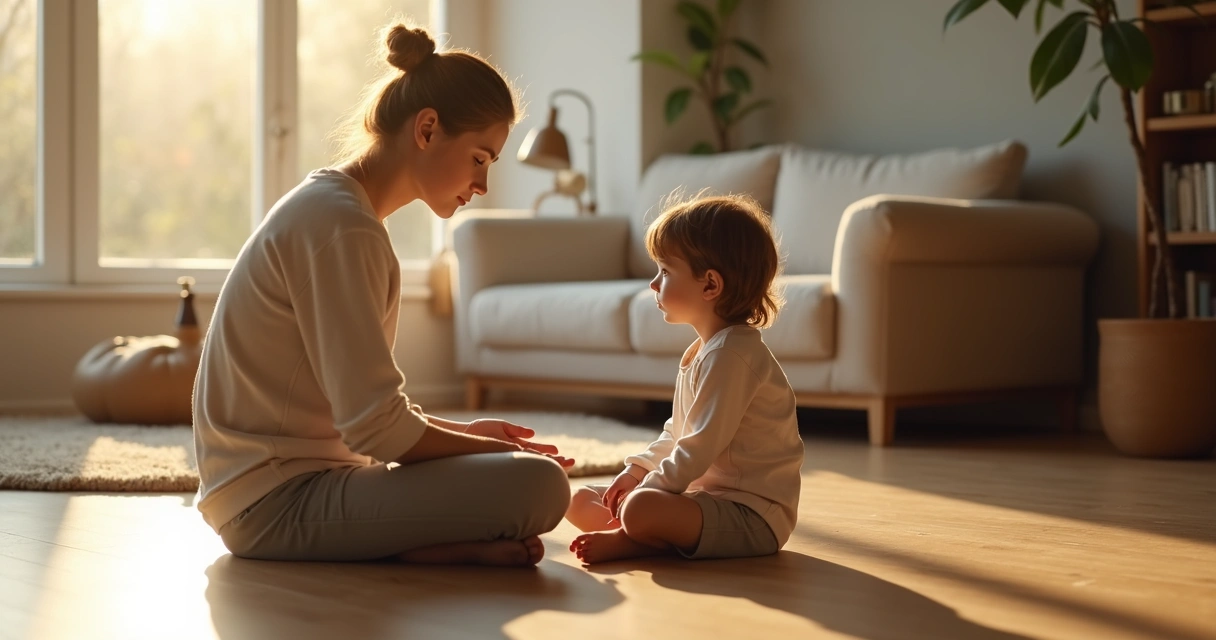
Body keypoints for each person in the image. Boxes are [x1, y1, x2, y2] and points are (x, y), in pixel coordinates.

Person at [192, 23, 572, 567]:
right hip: (276, 504)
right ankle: (413, 547)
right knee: (540, 484)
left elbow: (373, 420)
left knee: (519, 477)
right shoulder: (342, 227)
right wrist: (489, 448)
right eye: (480, 158)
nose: (483, 185)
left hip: (290, 488)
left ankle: (421, 546)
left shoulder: (338, 211)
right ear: (427, 129)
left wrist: (466, 434)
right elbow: (376, 429)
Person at [565, 194, 805, 564]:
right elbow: (677, 431)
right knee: (581, 499)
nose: (653, 284)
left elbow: (698, 447)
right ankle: (642, 534)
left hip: (753, 516)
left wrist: (646, 490)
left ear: (710, 285)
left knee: (639, 506)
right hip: (701, 500)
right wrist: (636, 470)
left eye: (665, 271)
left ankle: (635, 541)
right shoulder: (704, 351)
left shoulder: (732, 356)